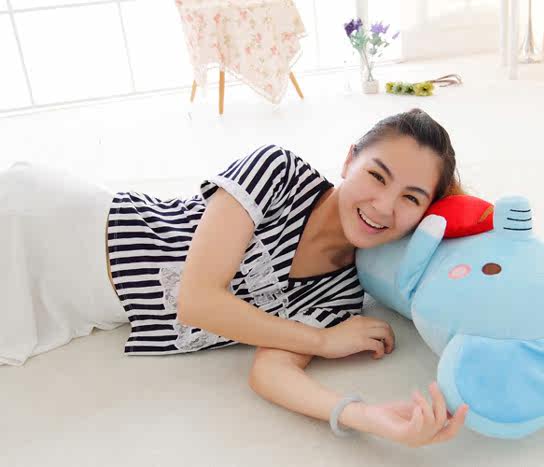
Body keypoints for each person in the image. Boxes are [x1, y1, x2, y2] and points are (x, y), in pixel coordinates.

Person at [0, 107, 469, 447]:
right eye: (377, 176)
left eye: (411, 198)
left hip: (71, 311)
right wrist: (321, 342)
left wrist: (371, 418)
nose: (384, 206)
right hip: (54, 227)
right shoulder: (279, 171)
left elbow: (271, 372)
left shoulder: (342, 296)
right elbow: (197, 300)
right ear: (349, 161)